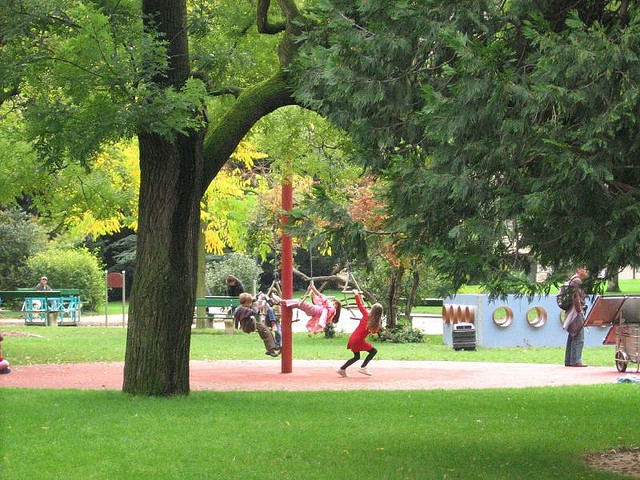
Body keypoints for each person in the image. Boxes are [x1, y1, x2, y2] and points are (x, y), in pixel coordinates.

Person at [337, 291, 383, 377]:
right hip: (358, 340)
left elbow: (360, 305)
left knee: (356, 357)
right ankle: (363, 367)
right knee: (373, 351)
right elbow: (374, 332)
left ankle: (342, 369)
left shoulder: (366, 315)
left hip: (353, 338)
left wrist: (356, 294)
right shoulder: (376, 323)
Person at [270, 283, 341, 334]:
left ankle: (280, 301)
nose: (332, 302)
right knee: (297, 304)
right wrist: (312, 291)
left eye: (334, 302)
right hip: (313, 310)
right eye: (333, 301)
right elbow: (318, 301)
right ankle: (280, 303)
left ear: (336, 306)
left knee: (299, 302)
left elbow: (322, 297)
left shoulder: (332, 309)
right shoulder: (328, 309)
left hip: (313, 310)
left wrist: (314, 288)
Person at [234, 292, 280, 357]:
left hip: (248, 324)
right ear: (247, 302)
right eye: (250, 302)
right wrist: (259, 300)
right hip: (248, 326)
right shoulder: (244, 309)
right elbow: (255, 311)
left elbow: (249, 302)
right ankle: (271, 349)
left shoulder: (240, 308)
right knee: (264, 330)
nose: (251, 303)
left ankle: (272, 347)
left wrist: (256, 297)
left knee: (266, 330)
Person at [563, 267, 588, 367]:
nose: (586, 271)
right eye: (584, 269)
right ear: (578, 270)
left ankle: (569, 360)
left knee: (573, 334)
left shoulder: (573, 280)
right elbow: (575, 297)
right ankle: (576, 361)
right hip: (576, 311)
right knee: (579, 335)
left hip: (573, 310)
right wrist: (579, 310)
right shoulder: (577, 281)